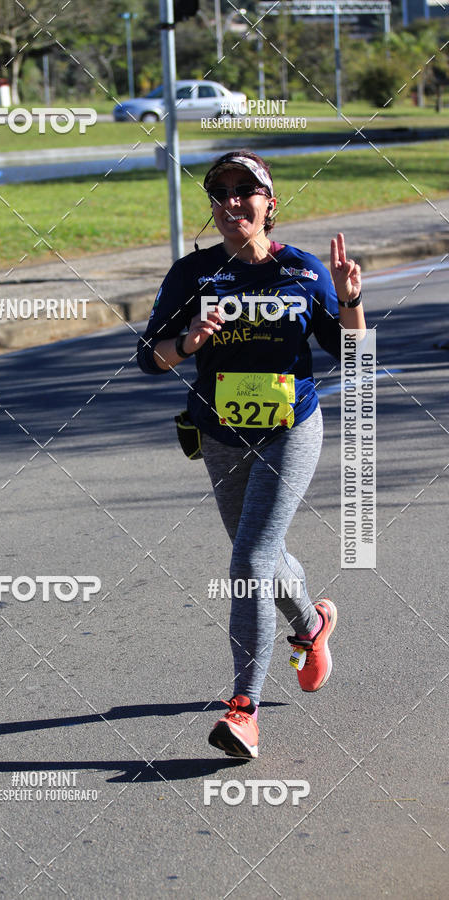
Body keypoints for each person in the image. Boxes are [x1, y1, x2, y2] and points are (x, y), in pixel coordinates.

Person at [136, 149, 365, 759]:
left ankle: (243, 709)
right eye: (222, 193)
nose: (234, 202)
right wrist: (186, 342)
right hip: (220, 433)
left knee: (249, 559)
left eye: (247, 191)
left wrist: (347, 301)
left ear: (271, 204)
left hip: (292, 428)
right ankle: (312, 627)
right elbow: (149, 357)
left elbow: (354, 360)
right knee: (259, 556)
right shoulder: (193, 275)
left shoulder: (305, 271)